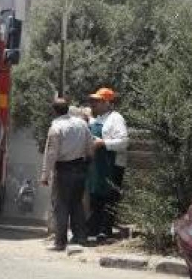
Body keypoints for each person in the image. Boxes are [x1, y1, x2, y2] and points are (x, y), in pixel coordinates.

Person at [40, 97, 94, 251]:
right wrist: (88, 163)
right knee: (77, 203)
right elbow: (90, 147)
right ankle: (81, 237)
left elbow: (51, 153)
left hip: (64, 170)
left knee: (61, 205)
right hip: (81, 168)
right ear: (68, 108)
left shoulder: (56, 128)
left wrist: (45, 175)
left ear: (54, 111)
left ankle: (60, 242)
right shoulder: (82, 124)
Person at [87, 87, 129, 240]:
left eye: (97, 101)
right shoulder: (97, 119)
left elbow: (124, 142)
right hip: (98, 166)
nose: (93, 104)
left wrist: (103, 143)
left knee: (109, 198)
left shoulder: (116, 118)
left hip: (113, 166)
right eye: (93, 101)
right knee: (96, 196)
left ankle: (105, 230)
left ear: (108, 103)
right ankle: (94, 228)